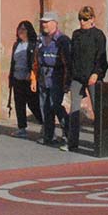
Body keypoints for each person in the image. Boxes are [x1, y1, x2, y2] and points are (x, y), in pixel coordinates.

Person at [62, 6, 107, 152]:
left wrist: (96, 73)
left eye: (86, 19)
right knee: (74, 110)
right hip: (77, 77)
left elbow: (101, 57)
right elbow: (72, 57)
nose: (82, 22)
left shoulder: (98, 35)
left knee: (97, 109)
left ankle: (100, 143)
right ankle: (72, 143)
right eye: (80, 19)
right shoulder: (76, 34)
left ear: (92, 19)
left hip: (93, 77)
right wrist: (70, 77)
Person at [31, 11, 70, 146]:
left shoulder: (62, 40)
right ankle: (49, 136)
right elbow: (35, 60)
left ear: (55, 23)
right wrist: (33, 79)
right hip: (43, 75)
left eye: (47, 22)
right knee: (45, 107)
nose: (44, 25)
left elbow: (67, 63)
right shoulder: (39, 40)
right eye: (43, 22)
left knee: (56, 106)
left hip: (57, 76)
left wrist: (66, 82)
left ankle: (68, 133)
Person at [7, 20, 43, 138]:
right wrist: (11, 76)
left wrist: (31, 74)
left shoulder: (34, 44)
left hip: (28, 79)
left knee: (33, 103)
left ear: (29, 31)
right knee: (19, 104)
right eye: (19, 29)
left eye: (23, 29)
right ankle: (22, 128)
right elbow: (14, 61)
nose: (20, 31)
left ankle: (44, 124)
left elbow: (34, 61)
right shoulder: (16, 45)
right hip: (17, 78)